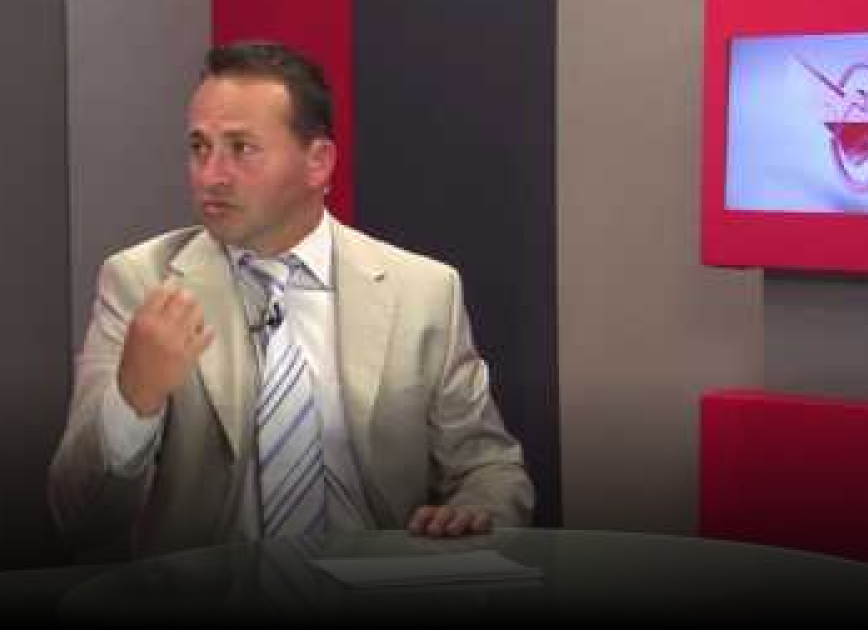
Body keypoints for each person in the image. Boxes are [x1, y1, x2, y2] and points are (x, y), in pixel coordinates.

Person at [48, 41, 534, 559]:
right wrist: (134, 400)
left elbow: (490, 468)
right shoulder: (140, 283)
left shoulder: (423, 291)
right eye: (199, 147)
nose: (211, 175)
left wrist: (475, 511)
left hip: (382, 585)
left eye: (241, 148)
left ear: (318, 162)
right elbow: (81, 516)